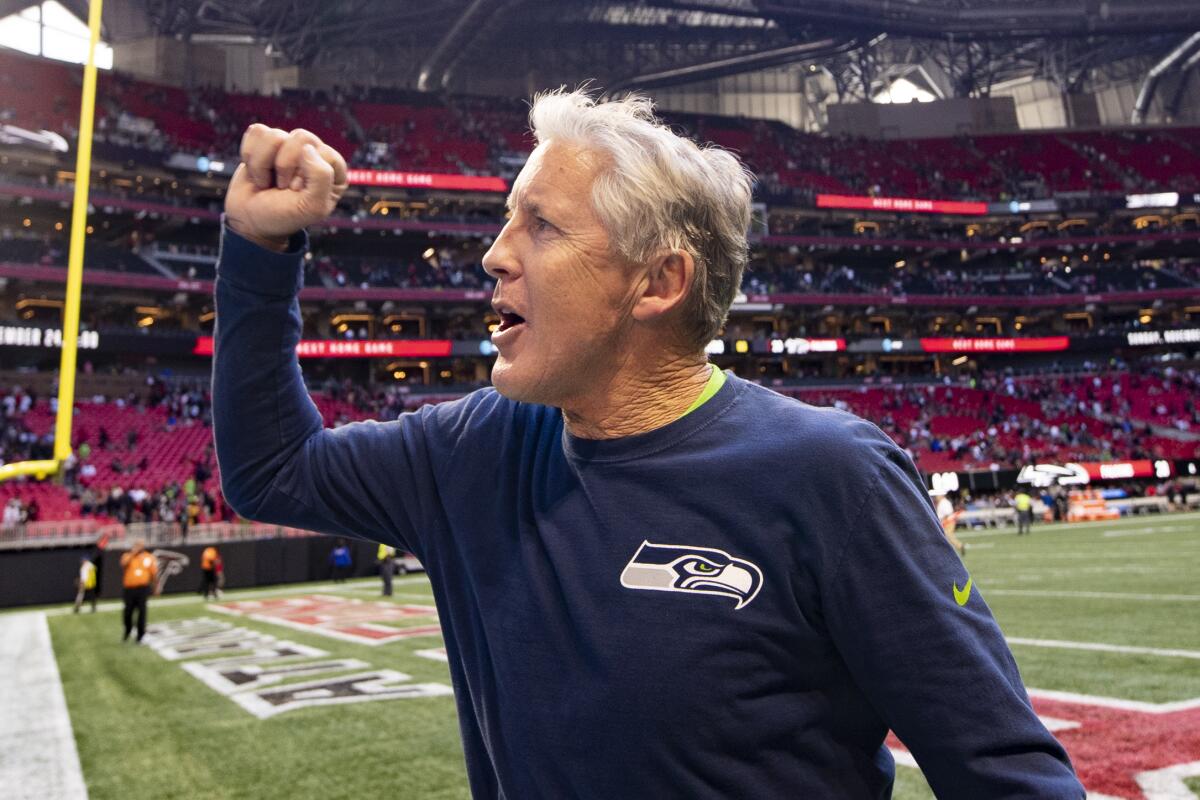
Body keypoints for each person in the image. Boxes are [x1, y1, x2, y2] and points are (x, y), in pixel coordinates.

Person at [213, 93, 1084, 798]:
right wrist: (259, 248)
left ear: (659, 282)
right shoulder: (475, 448)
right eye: (507, 220)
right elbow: (272, 471)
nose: (492, 256)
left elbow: (1006, 774)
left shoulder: (832, 477)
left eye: (540, 226)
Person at [119, 539, 157, 643]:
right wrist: (133, 553)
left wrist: (155, 587)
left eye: (140, 545)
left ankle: (140, 636)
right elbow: (123, 564)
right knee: (127, 612)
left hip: (143, 589)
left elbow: (153, 574)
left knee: (142, 612)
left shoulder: (149, 557)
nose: (138, 547)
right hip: (129, 589)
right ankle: (127, 630)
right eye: (137, 545)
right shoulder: (127, 556)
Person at [934, 490, 967, 556]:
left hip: (948, 522)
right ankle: (958, 547)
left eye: (937, 496)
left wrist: (942, 521)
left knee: (948, 535)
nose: (936, 497)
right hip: (945, 521)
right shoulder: (941, 502)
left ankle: (959, 546)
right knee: (948, 536)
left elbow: (947, 514)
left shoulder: (945, 503)